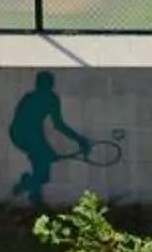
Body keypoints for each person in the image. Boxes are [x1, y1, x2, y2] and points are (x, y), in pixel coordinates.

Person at [7, 70, 90, 208]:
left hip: (24, 133)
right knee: (42, 171)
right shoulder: (44, 98)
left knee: (42, 172)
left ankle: (31, 190)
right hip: (24, 133)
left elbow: (58, 125)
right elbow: (26, 123)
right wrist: (78, 140)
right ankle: (28, 188)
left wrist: (78, 140)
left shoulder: (40, 98)